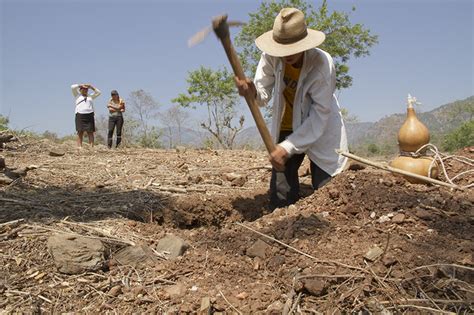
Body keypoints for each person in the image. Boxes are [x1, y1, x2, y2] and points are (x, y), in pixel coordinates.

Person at [234, 8, 348, 209]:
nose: (286, 54)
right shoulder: (270, 56)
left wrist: (285, 147)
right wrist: (252, 92)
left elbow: (319, 115)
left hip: (321, 126)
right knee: (281, 195)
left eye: (292, 48)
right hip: (288, 122)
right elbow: (263, 95)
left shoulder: (322, 64)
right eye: (282, 48)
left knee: (327, 193)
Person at [71, 83, 101, 147]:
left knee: (90, 131)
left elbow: (98, 92)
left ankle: (91, 146)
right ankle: (79, 147)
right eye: (84, 89)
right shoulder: (77, 95)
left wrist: (91, 87)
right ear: (80, 90)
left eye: (86, 89)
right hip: (80, 114)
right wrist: (81, 85)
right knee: (80, 131)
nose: (85, 90)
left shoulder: (90, 96)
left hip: (89, 114)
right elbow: (72, 87)